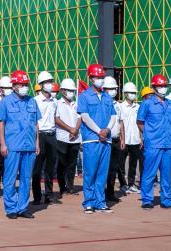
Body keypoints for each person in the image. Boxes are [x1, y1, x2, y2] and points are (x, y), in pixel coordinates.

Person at [0, 70, 39, 219]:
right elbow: (1, 123)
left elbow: (36, 124)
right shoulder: (6, 102)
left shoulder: (32, 101)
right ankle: (11, 208)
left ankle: (23, 207)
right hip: (12, 145)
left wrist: (37, 143)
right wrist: (2, 144)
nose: (24, 87)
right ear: (14, 86)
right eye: (21, 84)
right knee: (10, 178)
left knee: (27, 178)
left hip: (29, 146)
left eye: (26, 84)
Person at [77, 63, 116, 214]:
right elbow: (85, 117)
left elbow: (113, 115)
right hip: (91, 139)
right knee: (90, 172)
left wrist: (107, 130)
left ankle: (100, 202)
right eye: (98, 77)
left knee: (102, 172)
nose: (101, 80)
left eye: (102, 77)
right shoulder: (84, 96)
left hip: (106, 139)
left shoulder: (107, 97)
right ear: (91, 79)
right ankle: (88, 202)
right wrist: (99, 131)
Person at [136, 75, 171, 210]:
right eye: (160, 86)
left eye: (164, 86)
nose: (163, 88)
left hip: (168, 144)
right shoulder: (147, 104)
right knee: (149, 173)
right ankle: (147, 200)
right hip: (153, 144)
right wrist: (148, 135)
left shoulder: (170, 104)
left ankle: (167, 200)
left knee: (166, 174)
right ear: (153, 88)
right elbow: (140, 122)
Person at [32, 71, 58, 205]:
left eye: (51, 81)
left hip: (52, 135)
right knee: (37, 167)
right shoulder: (34, 101)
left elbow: (55, 118)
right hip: (40, 135)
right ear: (41, 85)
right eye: (47, 82)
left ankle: (49, 195)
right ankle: (37, 196)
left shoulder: (54, 101)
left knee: (50, 167)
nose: (50, 84)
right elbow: (33, 121)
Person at [53, 78, 81, 198]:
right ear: (63, 91)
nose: (71, 92)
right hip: (62, 138)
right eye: (69, 90)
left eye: (73, 90)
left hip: (75, 138)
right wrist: (70, 129)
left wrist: (75, 130)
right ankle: (62, 187)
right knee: (62, 164)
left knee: (72, 164)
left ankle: (70, 187)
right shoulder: (57, 103)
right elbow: (56, 119)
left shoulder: (76, 103)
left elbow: (80, 118)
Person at [103, 76, 126, 203]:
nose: (113, 91)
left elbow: (121, 122)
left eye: (114, 89)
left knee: (113, 169)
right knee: (103, 168)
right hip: (105, 140)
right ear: (104, 89)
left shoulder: (118, 105)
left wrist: (123, 138)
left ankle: (110, 193)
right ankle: (100, 192)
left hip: (116, 140)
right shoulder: (102, 103)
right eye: (110, 89)